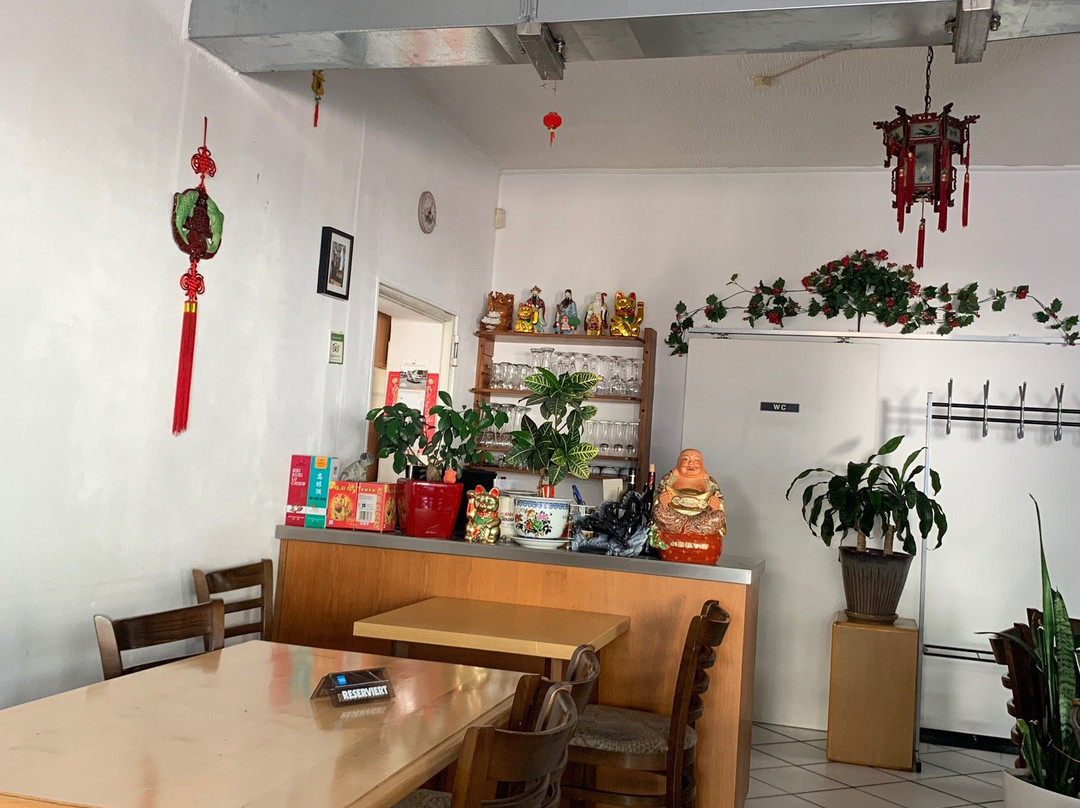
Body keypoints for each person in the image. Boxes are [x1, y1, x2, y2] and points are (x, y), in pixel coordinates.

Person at [652, 448, 726, 538]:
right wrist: (662, 501)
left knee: (719, 516)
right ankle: (692, 528)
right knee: (658, 511)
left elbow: (719, 501)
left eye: (696, 460)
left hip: (701, 517)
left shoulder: (709, 482)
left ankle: (684, 527)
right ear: (678, 462)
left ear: (702, 464)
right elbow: (657, 496)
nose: (691, 463)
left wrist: (715, 506)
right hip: (674, 515)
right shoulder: (669, 479)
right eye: (686, 459)